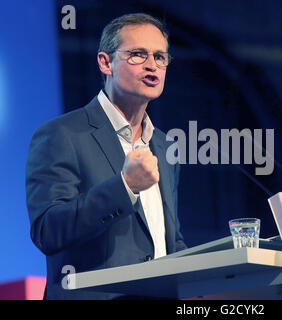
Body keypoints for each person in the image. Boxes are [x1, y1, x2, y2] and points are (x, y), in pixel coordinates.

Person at [25, 13, 187, 300]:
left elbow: (168, 240)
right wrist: (125, 186)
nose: (152, 65)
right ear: (105, 62)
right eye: (137, 54)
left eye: (160, 57)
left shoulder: (163, 145)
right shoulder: (62, 134)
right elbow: (48, 231)